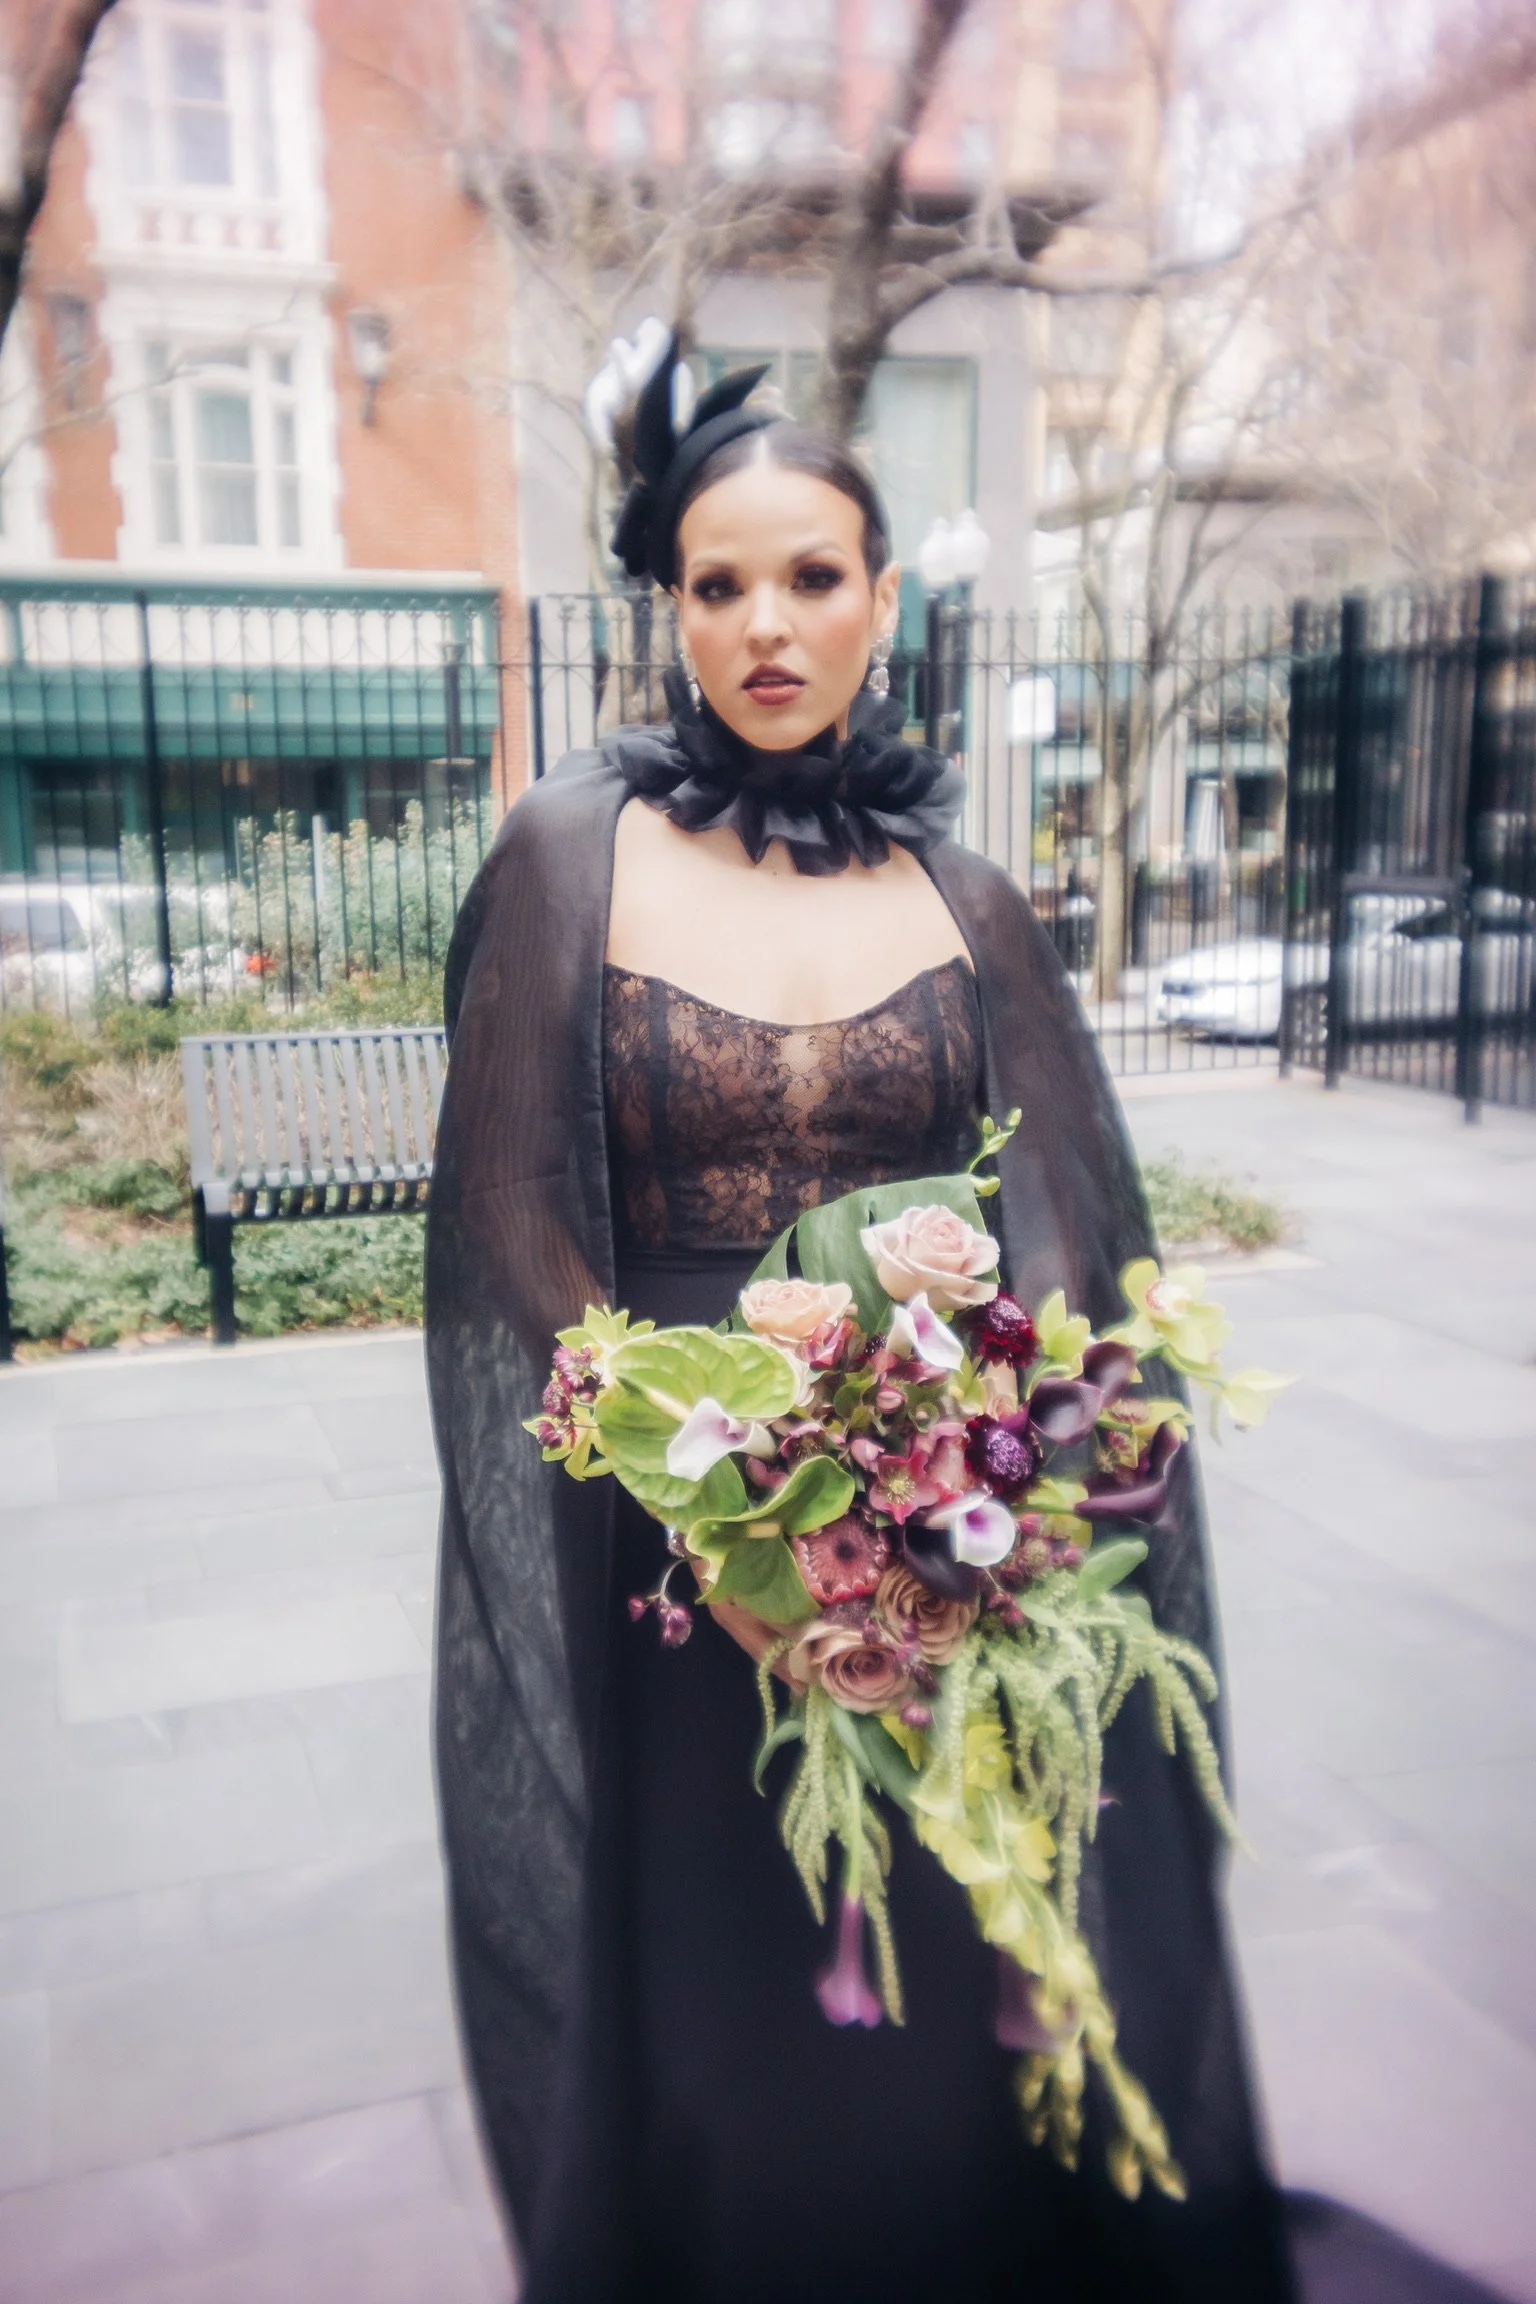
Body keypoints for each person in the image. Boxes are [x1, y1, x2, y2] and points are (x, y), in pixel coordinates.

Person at [425, 348, 1496, 2304]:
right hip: (686, 1546)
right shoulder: (568, 859)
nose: (767, 625)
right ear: (665, 606)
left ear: (885, 597)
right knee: (745, 1994)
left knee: (956, 1974)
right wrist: (721, 1495)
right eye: (718, 584)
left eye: (813, 578)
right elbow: (511, 1211)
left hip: (949, 1529)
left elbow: (1069, 1234)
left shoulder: (969, 889)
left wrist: (1000, 1502)